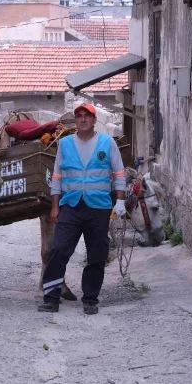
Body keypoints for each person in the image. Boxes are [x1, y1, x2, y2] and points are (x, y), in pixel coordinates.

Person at [38, 102, 127, 315]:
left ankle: (90, 298)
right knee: (59, 250)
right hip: (71, 205)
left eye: (87, 116)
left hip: (99, 207)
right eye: (79, 116)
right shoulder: (65, 144)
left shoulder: (107, 143)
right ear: (75, 121)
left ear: (95, 120)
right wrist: (54, 206)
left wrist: (121, 201)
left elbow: (119, 173)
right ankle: (51, 298)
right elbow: (57, 176)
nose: (83, 119)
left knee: (97, 254)